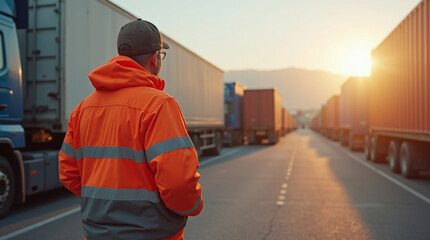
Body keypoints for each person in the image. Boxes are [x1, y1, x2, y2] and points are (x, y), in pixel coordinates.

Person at [58, 19, 203, 240]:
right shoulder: (159, 105)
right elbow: (178, 182)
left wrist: (107, 205)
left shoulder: (82, 109)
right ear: (155, 58)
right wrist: (192, 207)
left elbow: (68, 173)